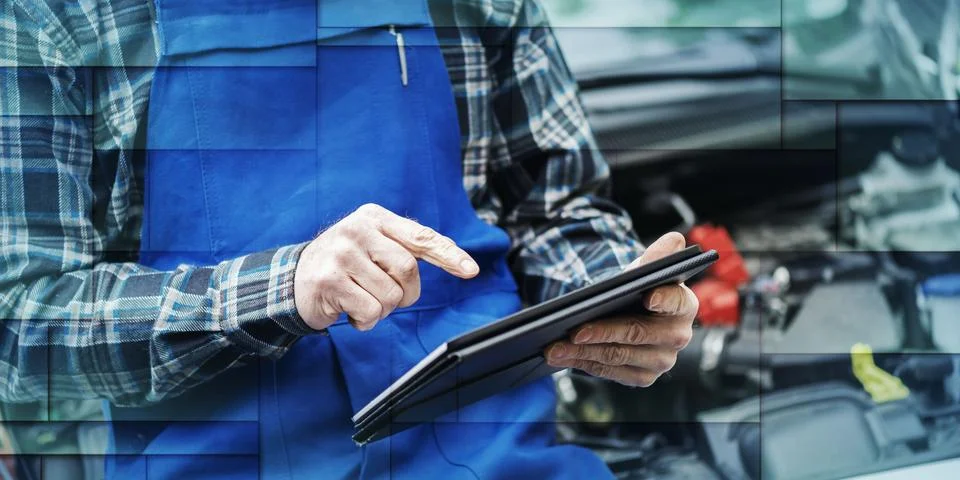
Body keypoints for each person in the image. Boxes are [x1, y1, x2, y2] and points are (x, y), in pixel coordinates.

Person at [0, 0, 699, 478]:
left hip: (494, 461)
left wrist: (615, 295)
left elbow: (554, 208)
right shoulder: (56, 18)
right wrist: (286, 287)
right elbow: (22, 323)